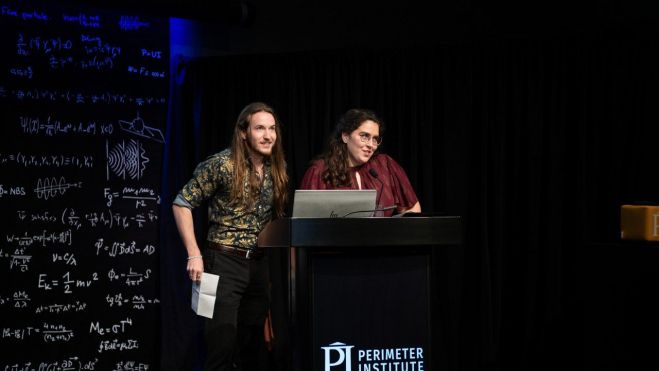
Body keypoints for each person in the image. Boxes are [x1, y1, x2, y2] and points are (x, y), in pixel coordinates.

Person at [172, 102, 288, 371]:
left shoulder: (276, 169)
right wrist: (194, 254)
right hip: (219, 263)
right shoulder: (221, 164)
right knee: (220, 344)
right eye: (260, 128)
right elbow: (181, 204)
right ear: (244, 132)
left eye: (272, 129)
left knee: (250, 347)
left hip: (257, 265)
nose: (268, 135)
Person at [300, 108, 421, 216]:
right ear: (346, 136)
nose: (371, 145)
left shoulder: (385, 165)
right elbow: (304, 223)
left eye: (375, 139)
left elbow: (412, 209)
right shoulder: (320, 171)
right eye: (364, 136)